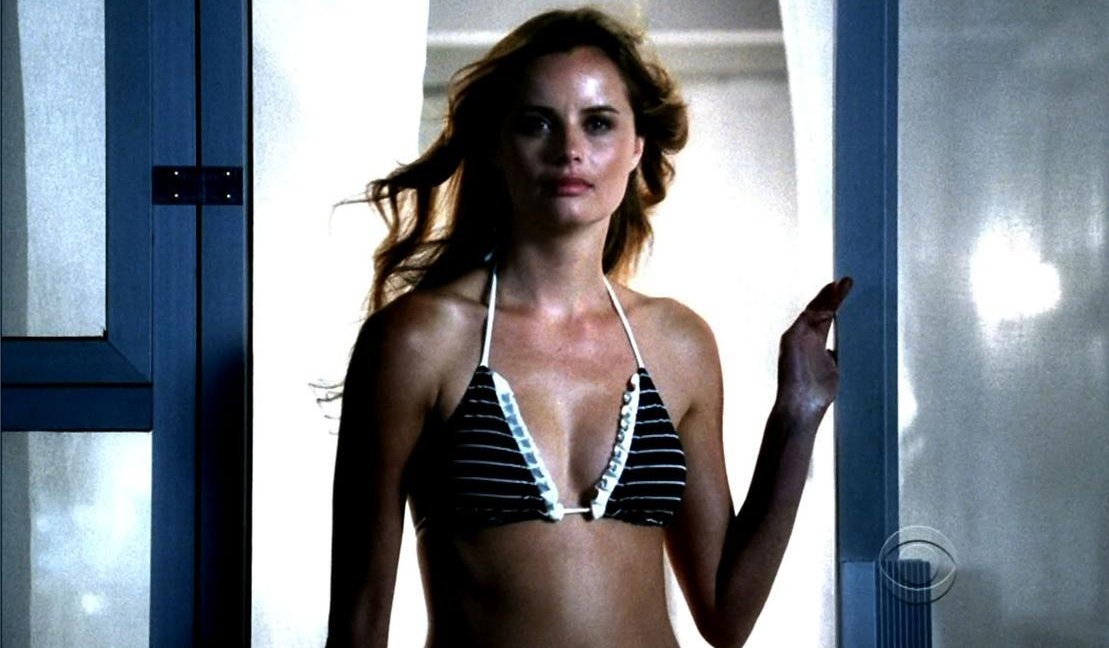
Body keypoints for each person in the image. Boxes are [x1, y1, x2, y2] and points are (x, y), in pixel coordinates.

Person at [326, 7, 852, 647]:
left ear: (636, 147)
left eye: (598, 123)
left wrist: (796, 414)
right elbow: (358, 622)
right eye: (537, 123)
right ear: (497, 145)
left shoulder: (677, 342)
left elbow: (726, 614)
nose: (569, 149)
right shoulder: (418, 341)